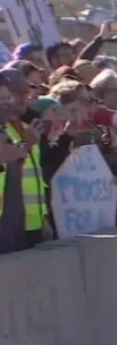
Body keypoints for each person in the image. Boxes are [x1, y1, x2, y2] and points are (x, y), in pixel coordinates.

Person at [0, 68, 49, 253]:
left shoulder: (28, 128)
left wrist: (44, 218)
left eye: (25, 92)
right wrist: (26, 145)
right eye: (16, 93)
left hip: (26, 220)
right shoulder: (14, 131)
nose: (24, 98)